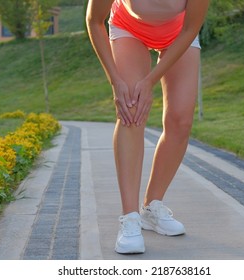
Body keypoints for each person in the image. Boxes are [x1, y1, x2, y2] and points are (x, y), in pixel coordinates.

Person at [86, 0, 209, 254]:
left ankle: (151, 207)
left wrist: (150, 80)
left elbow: (190, 29)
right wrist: (115, 81)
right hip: (129, 29)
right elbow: (94, 20)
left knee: (180, 120)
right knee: (131, 109)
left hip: (179, 34)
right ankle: (130, 217)